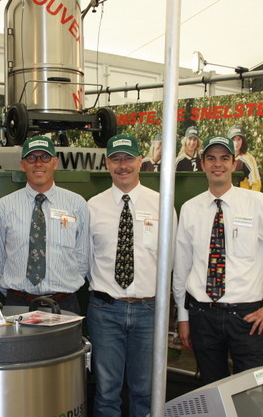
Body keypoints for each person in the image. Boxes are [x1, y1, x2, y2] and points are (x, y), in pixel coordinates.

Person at [173, 135, 263, 384]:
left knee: (254, 389)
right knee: (213, 389)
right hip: (202, 316)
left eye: (224, 158)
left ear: (234, 164)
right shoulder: (190, 209)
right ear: (203, 164)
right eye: (211, 158)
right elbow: (182, 268)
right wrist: (183, 317)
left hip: (246, 318)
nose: (217, 164)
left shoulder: (257, 204)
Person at [87, 133, 175, 417]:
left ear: (140, 161)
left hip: (149, 311)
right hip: (105, 312)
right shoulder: (92, 207)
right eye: (115, 159)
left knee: (146, 392)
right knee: (106, 392)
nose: (122, 165)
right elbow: (87, 259)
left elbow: (170, 259)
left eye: (128, 159)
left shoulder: (162, 204)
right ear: (107, 163)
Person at [0, 136, 89, 315]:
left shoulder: (77, 204)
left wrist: (63, 289)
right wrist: (16, 294)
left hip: (64, 304)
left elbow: (83, 256)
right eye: (31, 158)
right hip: (18, 304)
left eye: (45, 157)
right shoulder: (3, 207)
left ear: (55, 163)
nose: (38, 163)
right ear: (22, 165)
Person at [227, 125, 261, 191]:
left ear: (243, 140)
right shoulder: (225, 158)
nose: (236, 143)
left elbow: (256, 184)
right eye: (233, 139)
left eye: (239, 139)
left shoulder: (247, 159)